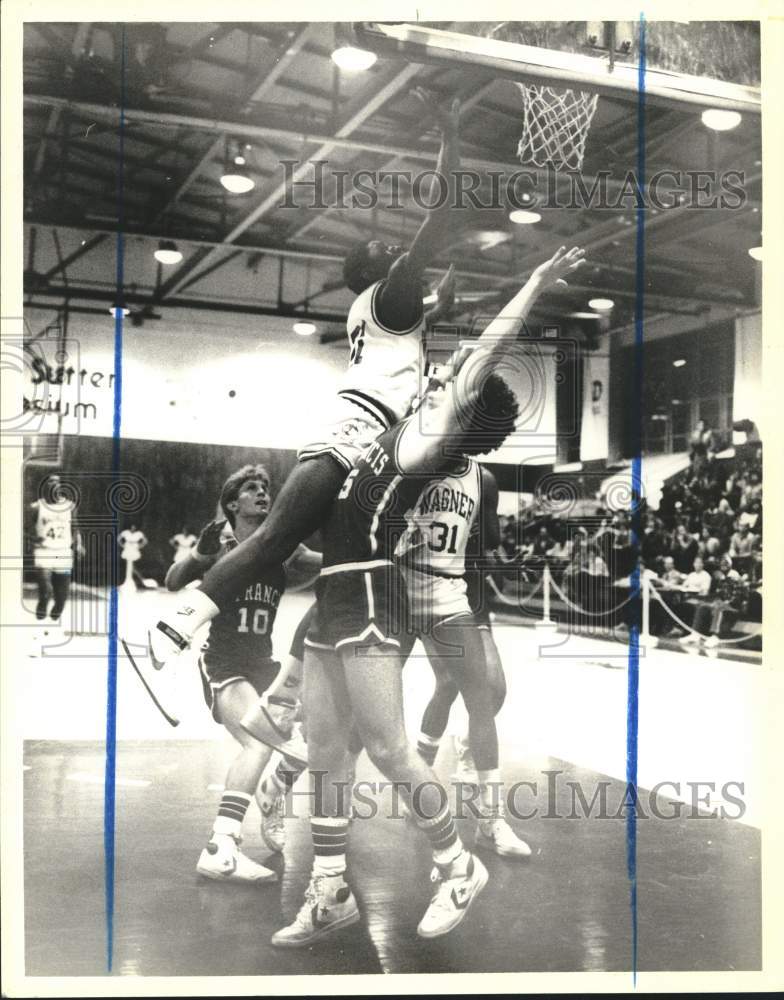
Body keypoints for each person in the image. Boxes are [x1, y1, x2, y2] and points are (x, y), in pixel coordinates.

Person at [271, 245, 585, 949]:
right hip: (334, 597)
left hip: (374, 602)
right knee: (327, 749)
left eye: (447, 383)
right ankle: (329, 892)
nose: (437, 376)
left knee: (388, 749)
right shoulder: (388, 426)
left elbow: (488, 347)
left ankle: (456, 864)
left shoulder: (426, 439)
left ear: (455, 412)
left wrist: (531, 281)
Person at [145, 95, 463, 666]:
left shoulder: (387, 311)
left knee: (331, 560)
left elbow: (431, 309)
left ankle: (298, 681)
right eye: (387, 252)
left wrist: (446, 296)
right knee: (274, 539)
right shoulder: (390, 292)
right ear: (378, 272)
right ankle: (177, 622)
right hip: (355, 427)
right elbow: (437, 221)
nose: (397, 251)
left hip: (378, 439)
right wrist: (451, 140)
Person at [163, 465, 320, 880]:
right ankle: (221, 847)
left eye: (266, 488)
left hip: (263, 663)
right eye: (252, 489)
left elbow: (322, 562)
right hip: (225, 662)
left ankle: (274, 793)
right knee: (258, 743)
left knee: (321, 733)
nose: (263, 494)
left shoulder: (282, 544)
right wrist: (198, 554)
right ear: (234, 502)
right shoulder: (220, 544)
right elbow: (173, 580)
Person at [397, 458, 529, 858]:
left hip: (460, 591)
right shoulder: (411, 463)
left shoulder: (482, 480)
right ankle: (414, 768)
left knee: (489, 689)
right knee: (370, 701)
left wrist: (502, 561)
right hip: (402, 588)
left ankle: (487, 806)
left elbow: (488, 539)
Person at [26, 473, 83, 624]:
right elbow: (24, 528)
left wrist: (79, 544)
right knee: (46, 589)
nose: (53, 484)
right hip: (44, 550)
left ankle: (56, 612)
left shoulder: (69, 506)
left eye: (56, 482)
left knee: (62, 597)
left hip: (63, 551)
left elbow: (75, 526)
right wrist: (32, 538)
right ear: (45, 487)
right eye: (50, 482)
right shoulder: (36, 506)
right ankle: (42, 606)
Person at [118, 523, 148, 589]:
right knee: (129, 565)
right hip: (128, 548)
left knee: (132, 566)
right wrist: (122, 545)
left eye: (134, 527)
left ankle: (138, 580)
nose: (133, 528)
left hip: (134, 548)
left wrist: (140, 546)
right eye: (132, 527)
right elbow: (119, 538)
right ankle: (130, 581)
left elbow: (145, 541)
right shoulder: (126, 532)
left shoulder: (139, 533)